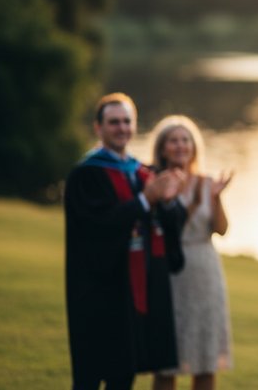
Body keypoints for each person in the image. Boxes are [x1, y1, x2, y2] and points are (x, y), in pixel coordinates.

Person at [64, 93, 188, 390]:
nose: (121, 128)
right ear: (98, 128)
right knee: (90, 373)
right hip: (96, 288)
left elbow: (174, 223)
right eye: (113, 122)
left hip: (132, 290)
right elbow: (98, 226)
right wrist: (147, 199)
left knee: (124, 374)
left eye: (127, 121)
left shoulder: (140, 171)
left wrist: (168, 202)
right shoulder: (86, 174)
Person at [149, 116, 234, 390]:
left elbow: (221, 230)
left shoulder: (208, 184)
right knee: (165, 363)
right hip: (168, 271)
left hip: (204, 272)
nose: (180, 146)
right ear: (162, 148)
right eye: (173, 140)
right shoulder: (154, 183)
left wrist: (217, 198)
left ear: (194, 147)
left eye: (185, 140)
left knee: (205, 360)